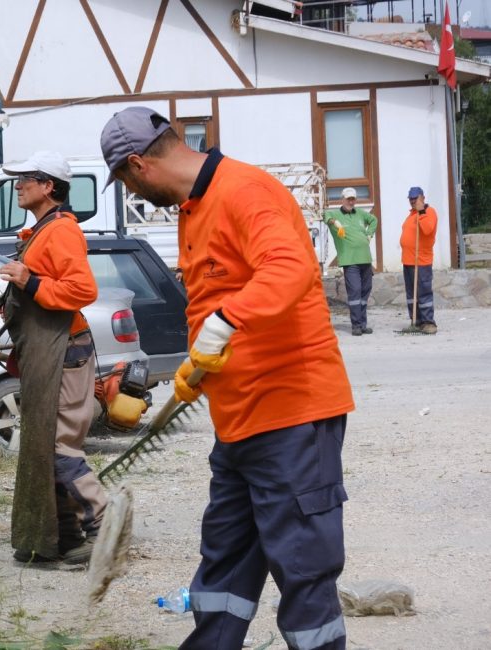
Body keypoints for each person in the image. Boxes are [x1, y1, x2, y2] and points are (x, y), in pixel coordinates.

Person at [101, 107, 354, 650]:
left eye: (125, 182)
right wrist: (197, 369)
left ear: (139, 165)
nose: (134, 195)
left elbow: (290, 269)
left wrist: (225, 322)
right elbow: (221, 296)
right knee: (224, 562)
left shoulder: (244, 191)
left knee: (302, 566)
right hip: (239, 422)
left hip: (292, 414)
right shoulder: (194, 209)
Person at [0, 151, 106, 566]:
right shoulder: (41, 230)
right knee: (45, 446)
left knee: (58, 447)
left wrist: (30, 280)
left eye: (27, 178)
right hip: (49, 351)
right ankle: (66, 537)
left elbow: (82, 291)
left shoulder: (60, 231)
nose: (18, 184)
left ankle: (104, 527)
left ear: (49, 186)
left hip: (65, 352)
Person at [325, 187, 378, 335]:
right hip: (350, 261)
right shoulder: (335, 213)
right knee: (355, 292)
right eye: (348, 199)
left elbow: (373, 220)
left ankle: (362, 324)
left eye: (353, 199)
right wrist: (335, 222)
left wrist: (369, 234)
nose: (350, 201)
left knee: (364, 292)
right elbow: (325, 214)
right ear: (342, 199)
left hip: (365, 260)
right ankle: (356, 325)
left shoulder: (360, 214)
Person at [400, 186, 438, 334]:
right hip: (408, 261)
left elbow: (427, 229)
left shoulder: (429, 212)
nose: (413, 201)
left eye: (415, 198)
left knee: (424, 293)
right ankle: (416, 320)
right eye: (411, 198)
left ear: (422, 198)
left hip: (421, 261)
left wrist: (421, 211)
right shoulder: (411, 215)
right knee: (411, 295)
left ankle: (429, 322)